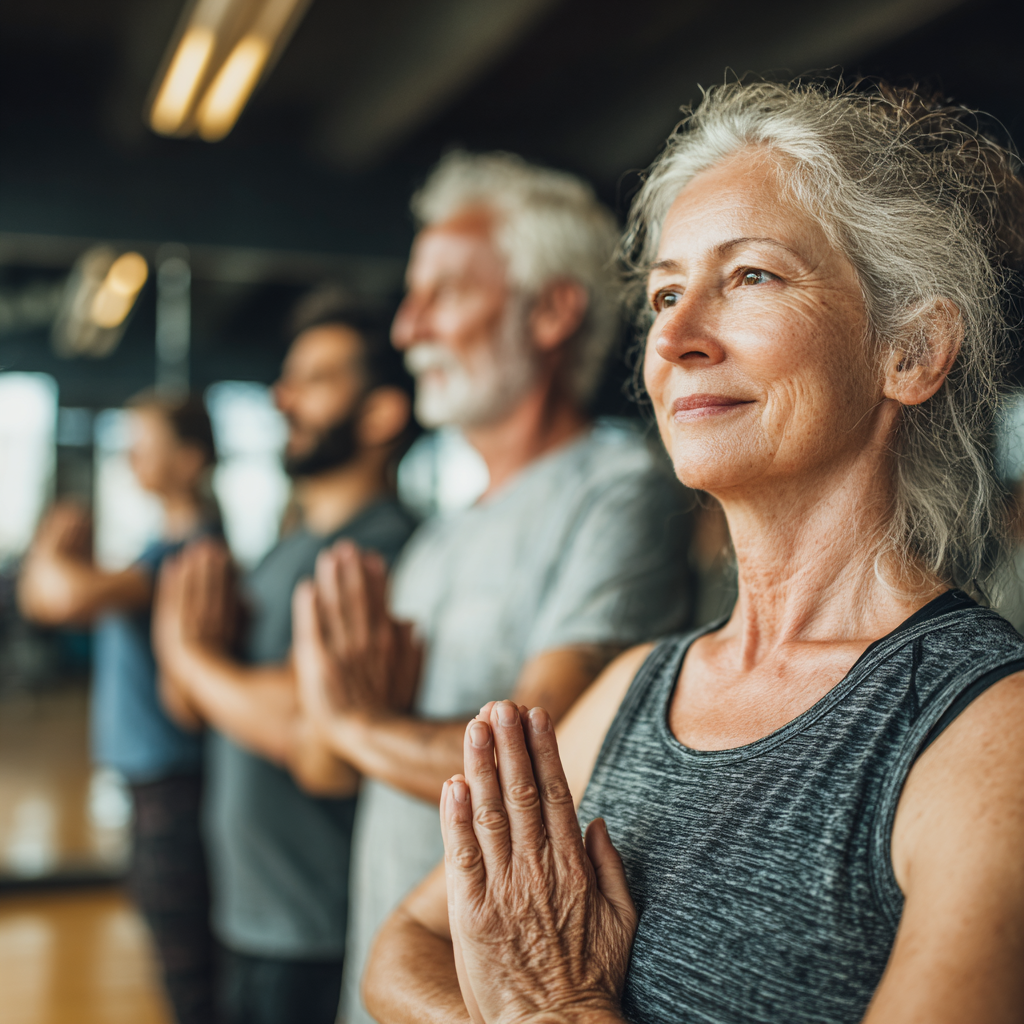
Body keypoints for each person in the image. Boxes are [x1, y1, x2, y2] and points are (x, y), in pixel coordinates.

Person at [364, 80, 1024, 1024]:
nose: (673, 336)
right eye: (666, 293)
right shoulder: (637, 686)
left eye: (751, 276)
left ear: (909, 350)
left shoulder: (991, 734)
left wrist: (561, 1009)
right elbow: (400, 949)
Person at [288, 151, 697, 1024]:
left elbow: (551, 769)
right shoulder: (437, 537)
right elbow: (325, 763)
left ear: (551, 311)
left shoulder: (620, 490)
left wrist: (356, 721)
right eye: (411, 297)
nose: (407, 329)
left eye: (443, 293)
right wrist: (348, 725)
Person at [152, 296, 419, 1024]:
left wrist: (191, 654)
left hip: (313, 924)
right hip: (243, 908)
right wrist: (202, 669)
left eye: (316, 380)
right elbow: (188, 704)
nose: (283, 398)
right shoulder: (285, 552)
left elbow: (310, 726)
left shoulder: (386, 551)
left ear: (382, 415)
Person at [18, 393, 221, 1024]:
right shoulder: (157, 549)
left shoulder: (188, 555)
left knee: (185, 958)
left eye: (144, 443)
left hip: (175, 778)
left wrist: (48, 547)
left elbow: (62, 598)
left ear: (190, 459)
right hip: (153, 776)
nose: (131, 456)